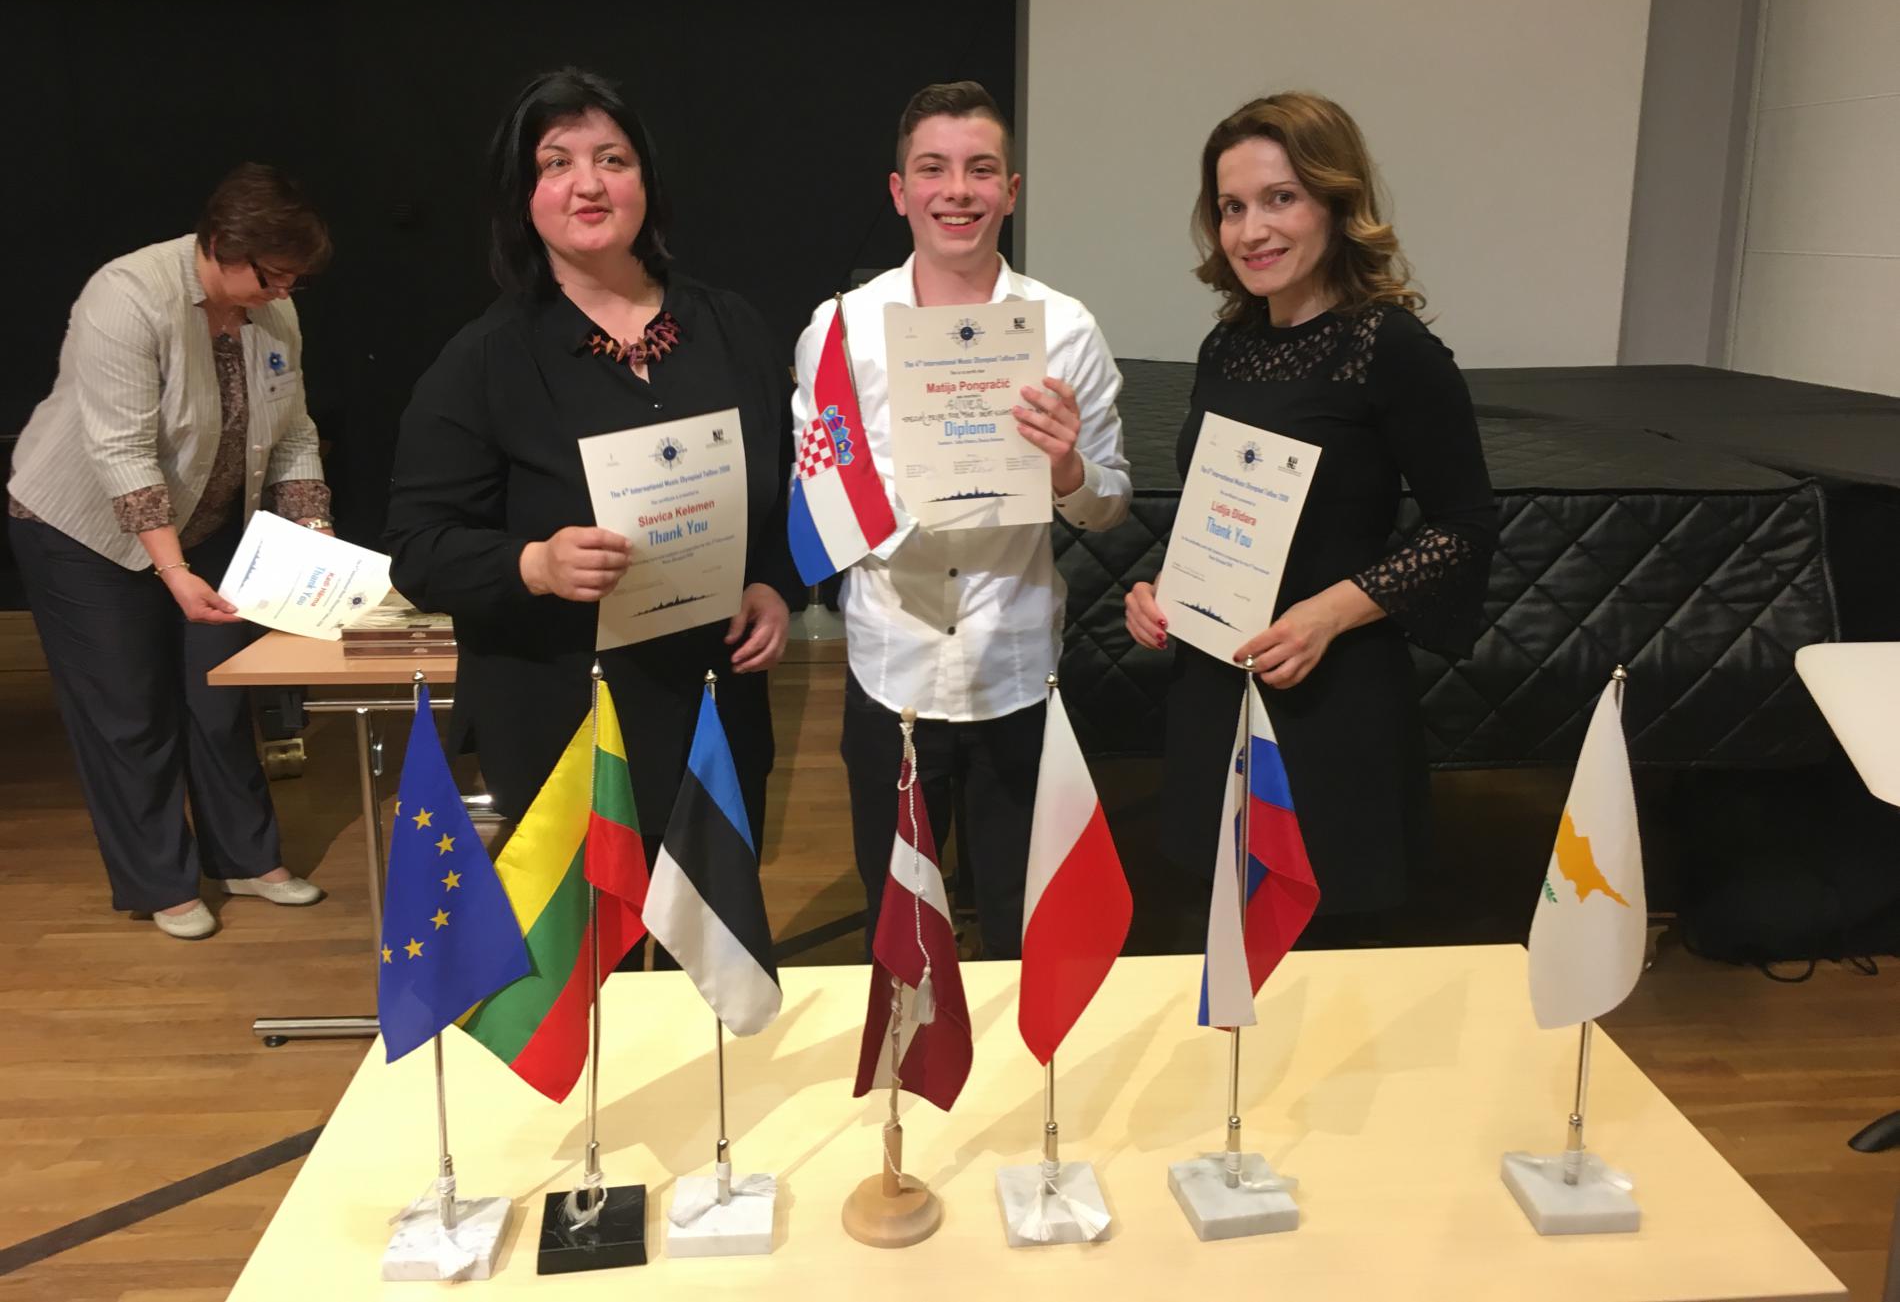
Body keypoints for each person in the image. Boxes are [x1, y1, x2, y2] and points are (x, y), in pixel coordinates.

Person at [385, 67, 798, 853]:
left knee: (710, 933)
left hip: (716, 718)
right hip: (564, 730)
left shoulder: (731, 328)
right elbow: (418, 550)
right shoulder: (483, 360)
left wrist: (774, 585)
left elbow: (783, 490)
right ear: (524, 196)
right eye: (556, 163)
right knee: (589, 938)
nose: (589, 184)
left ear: (646, 182)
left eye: (613, 159)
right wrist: (535, 564)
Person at [1125, 93, 1497, 929]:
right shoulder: (1227, 346)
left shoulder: (1390, 347)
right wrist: (1163, 586)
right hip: (1216, 686)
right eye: (1231, 207)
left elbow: (1466, 526)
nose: (1251, 229)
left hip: (1330, 694)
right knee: (1222, 938)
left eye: (1279, 199)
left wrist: (1328, 614)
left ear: (1335, 201)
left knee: (1324, 950)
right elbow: (1220, 511)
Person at [795, 80, 1130, 960]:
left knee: (1022, 922)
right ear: (899, 190)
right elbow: (819, 492)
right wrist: (906, 507)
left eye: (981, 169)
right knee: (898, 924)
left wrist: (1067, 470)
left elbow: (1109, 503)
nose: (957, 190)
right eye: (932, 169)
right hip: (890, 668)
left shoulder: (1066, 330)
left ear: (1010, 191)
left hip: (1014, 663)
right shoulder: (839, 332)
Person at [9, 165, 335, 939]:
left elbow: (292, 430)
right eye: (270, 274)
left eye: (293, 278)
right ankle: (161, 879)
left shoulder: (274, 309)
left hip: (202, 522)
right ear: (220, 244)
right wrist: (172, 570)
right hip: (84, 529)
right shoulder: (127, 296)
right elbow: (120, 451)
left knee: (218, 695)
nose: (282, 290)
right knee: (130, 710)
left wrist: (315, 527)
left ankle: (246, 859)